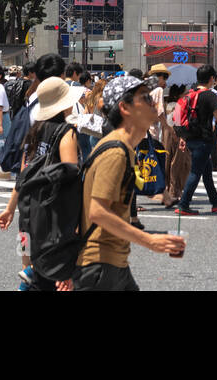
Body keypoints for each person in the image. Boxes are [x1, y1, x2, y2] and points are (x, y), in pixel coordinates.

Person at [72, 75, 185, 291]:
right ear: (124, 108)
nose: (152, 101)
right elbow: (97, 212)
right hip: (99, 268)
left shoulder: (125, 148)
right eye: (144, 97)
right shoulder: (115, 151)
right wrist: (150, 241)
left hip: (114, 264)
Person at [0, 76, 81, 290]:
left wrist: (9, 208)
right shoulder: (66, 133)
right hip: (52, 216)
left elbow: (24, 175)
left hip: (27, 211)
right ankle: (31, 278)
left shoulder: (33, 131)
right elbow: (70, 178)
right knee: (50, 279)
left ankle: (28, 274)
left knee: (28, 259)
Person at [174, 65, 217, 215]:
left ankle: (216, 202)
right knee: (195, 173)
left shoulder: (190, 93)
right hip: (204, 140)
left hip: (191, 137)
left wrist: (182, 137)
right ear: (212, 79)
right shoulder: (209, 95)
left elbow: (183, 117)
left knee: (206, 172)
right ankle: (183, 204)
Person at [161, 84, 191, 209]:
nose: (187, 94)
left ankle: (168, 190)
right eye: (185, 92)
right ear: (179, 94)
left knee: (168, 161)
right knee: (177, 162)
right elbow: (177, 122)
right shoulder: (178, 105)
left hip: (166, 133)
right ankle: (175, 191)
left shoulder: (167, 103)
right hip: (176, 133)